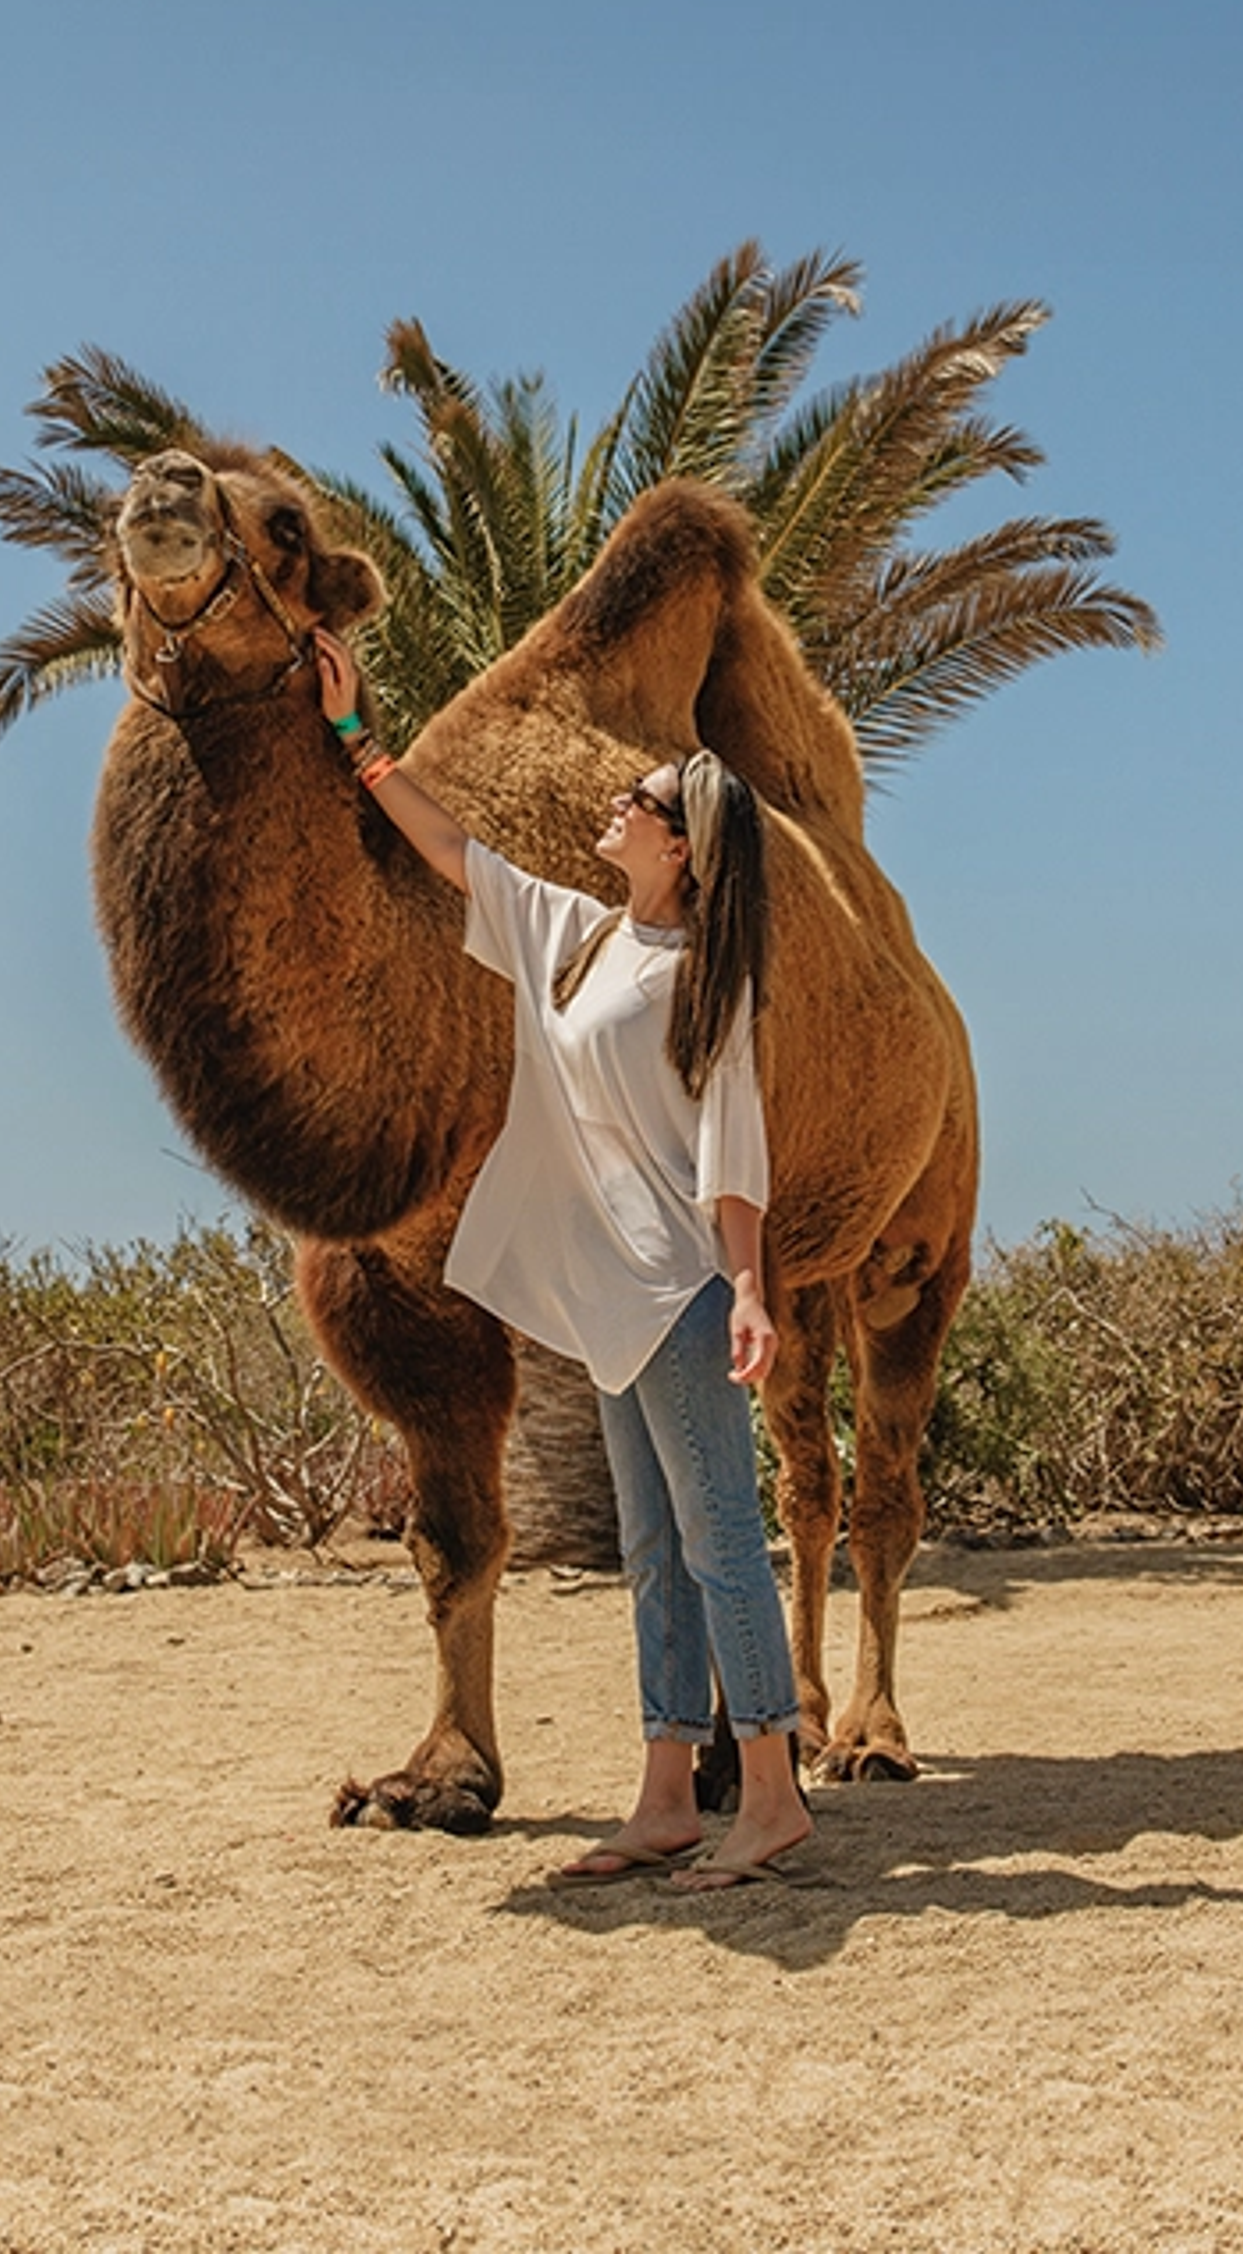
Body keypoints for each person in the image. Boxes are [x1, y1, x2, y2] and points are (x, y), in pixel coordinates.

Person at [315, 630, 814, 1892]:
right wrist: (356, 738)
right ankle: (664, 1797)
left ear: (684, 843)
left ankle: (768, 1800)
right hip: (608, 1301)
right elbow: (452, 855)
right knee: (654, 1551)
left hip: (682, 1295)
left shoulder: (707, 977)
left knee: (721, 1546)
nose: (616, 803)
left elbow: (733, 1145)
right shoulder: (579, 940)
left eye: (640, 801)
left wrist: (750, 1286)